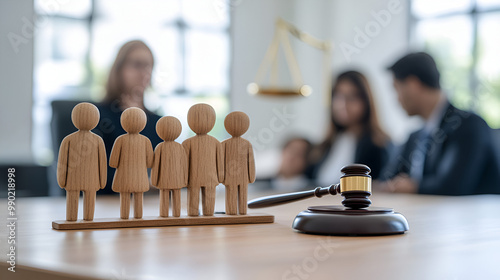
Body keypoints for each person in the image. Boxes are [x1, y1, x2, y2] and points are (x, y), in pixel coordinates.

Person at [378, 52, 500, 195]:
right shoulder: (416, 137)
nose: (396, 99)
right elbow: (387, 180)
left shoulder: (468, 125)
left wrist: (413, 187)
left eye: (396, 89)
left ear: (413, 85)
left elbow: (454, 186)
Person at [93, 40, 162, 193]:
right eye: (137, 65)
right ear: (119, 69)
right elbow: (95, 173)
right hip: (107, 204)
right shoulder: (97, 116)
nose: (145, 72)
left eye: (149, 65)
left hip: (151, 206)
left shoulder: (159, 122)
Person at [306, 71, 391, 186]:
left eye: (352, 97)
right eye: (338, 96)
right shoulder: (324, 146)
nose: (343, 104)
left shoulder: (378, 146)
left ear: (366, 101)